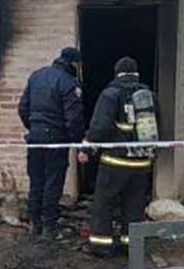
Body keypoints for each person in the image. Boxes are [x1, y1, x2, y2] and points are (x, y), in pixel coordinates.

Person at [84, 56, 156, 255]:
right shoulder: (148, 94)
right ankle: (131, 246)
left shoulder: (111, 94)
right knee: (134, 205)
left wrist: (87, 146)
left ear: (117, 73)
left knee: (104, 203)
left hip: (115, 162)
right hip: (141, 163)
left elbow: (100, 127)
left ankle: (101, 245)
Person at [18, 47, 85, 239]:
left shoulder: (36, 76)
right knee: (53, 183)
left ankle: (34, 224)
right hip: (56, 140)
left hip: (35, 139)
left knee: (36, 181)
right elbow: (74, 118)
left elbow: (23, 107)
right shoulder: (69, 83)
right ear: (74, 64)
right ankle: (49, 228)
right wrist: (78, 142)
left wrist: (33, 127)